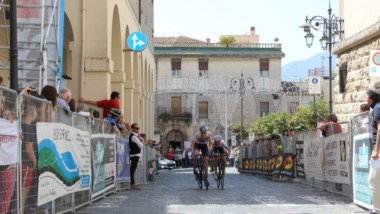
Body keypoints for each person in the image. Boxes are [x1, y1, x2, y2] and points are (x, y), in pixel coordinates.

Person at [20, 97, 40, 212]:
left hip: (19, 162)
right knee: (24, 189)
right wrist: (34, 161)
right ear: (33, 112)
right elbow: (29, 149)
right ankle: (21, 210)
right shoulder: (29, 127)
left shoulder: (20, 124)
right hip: (26, 164)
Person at [367, 82, 380, 214]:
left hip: (379, 150)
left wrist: (376, 149)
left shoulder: (377, 108)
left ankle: (377, 209)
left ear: (370, 98)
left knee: (373, 179)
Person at [129, 123, 144, 190]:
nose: (137, 129)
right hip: (134, 155)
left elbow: (140, 144)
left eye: (138, 128)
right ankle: (132, 183)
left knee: (133, 170)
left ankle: (133, 182)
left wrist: (141, 140)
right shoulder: (134, 136)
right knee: (132, 170)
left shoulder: (136, 136)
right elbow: (141, 146)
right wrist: (141, 141)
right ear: (132, 128)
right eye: (136, 128)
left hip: (135, 154)